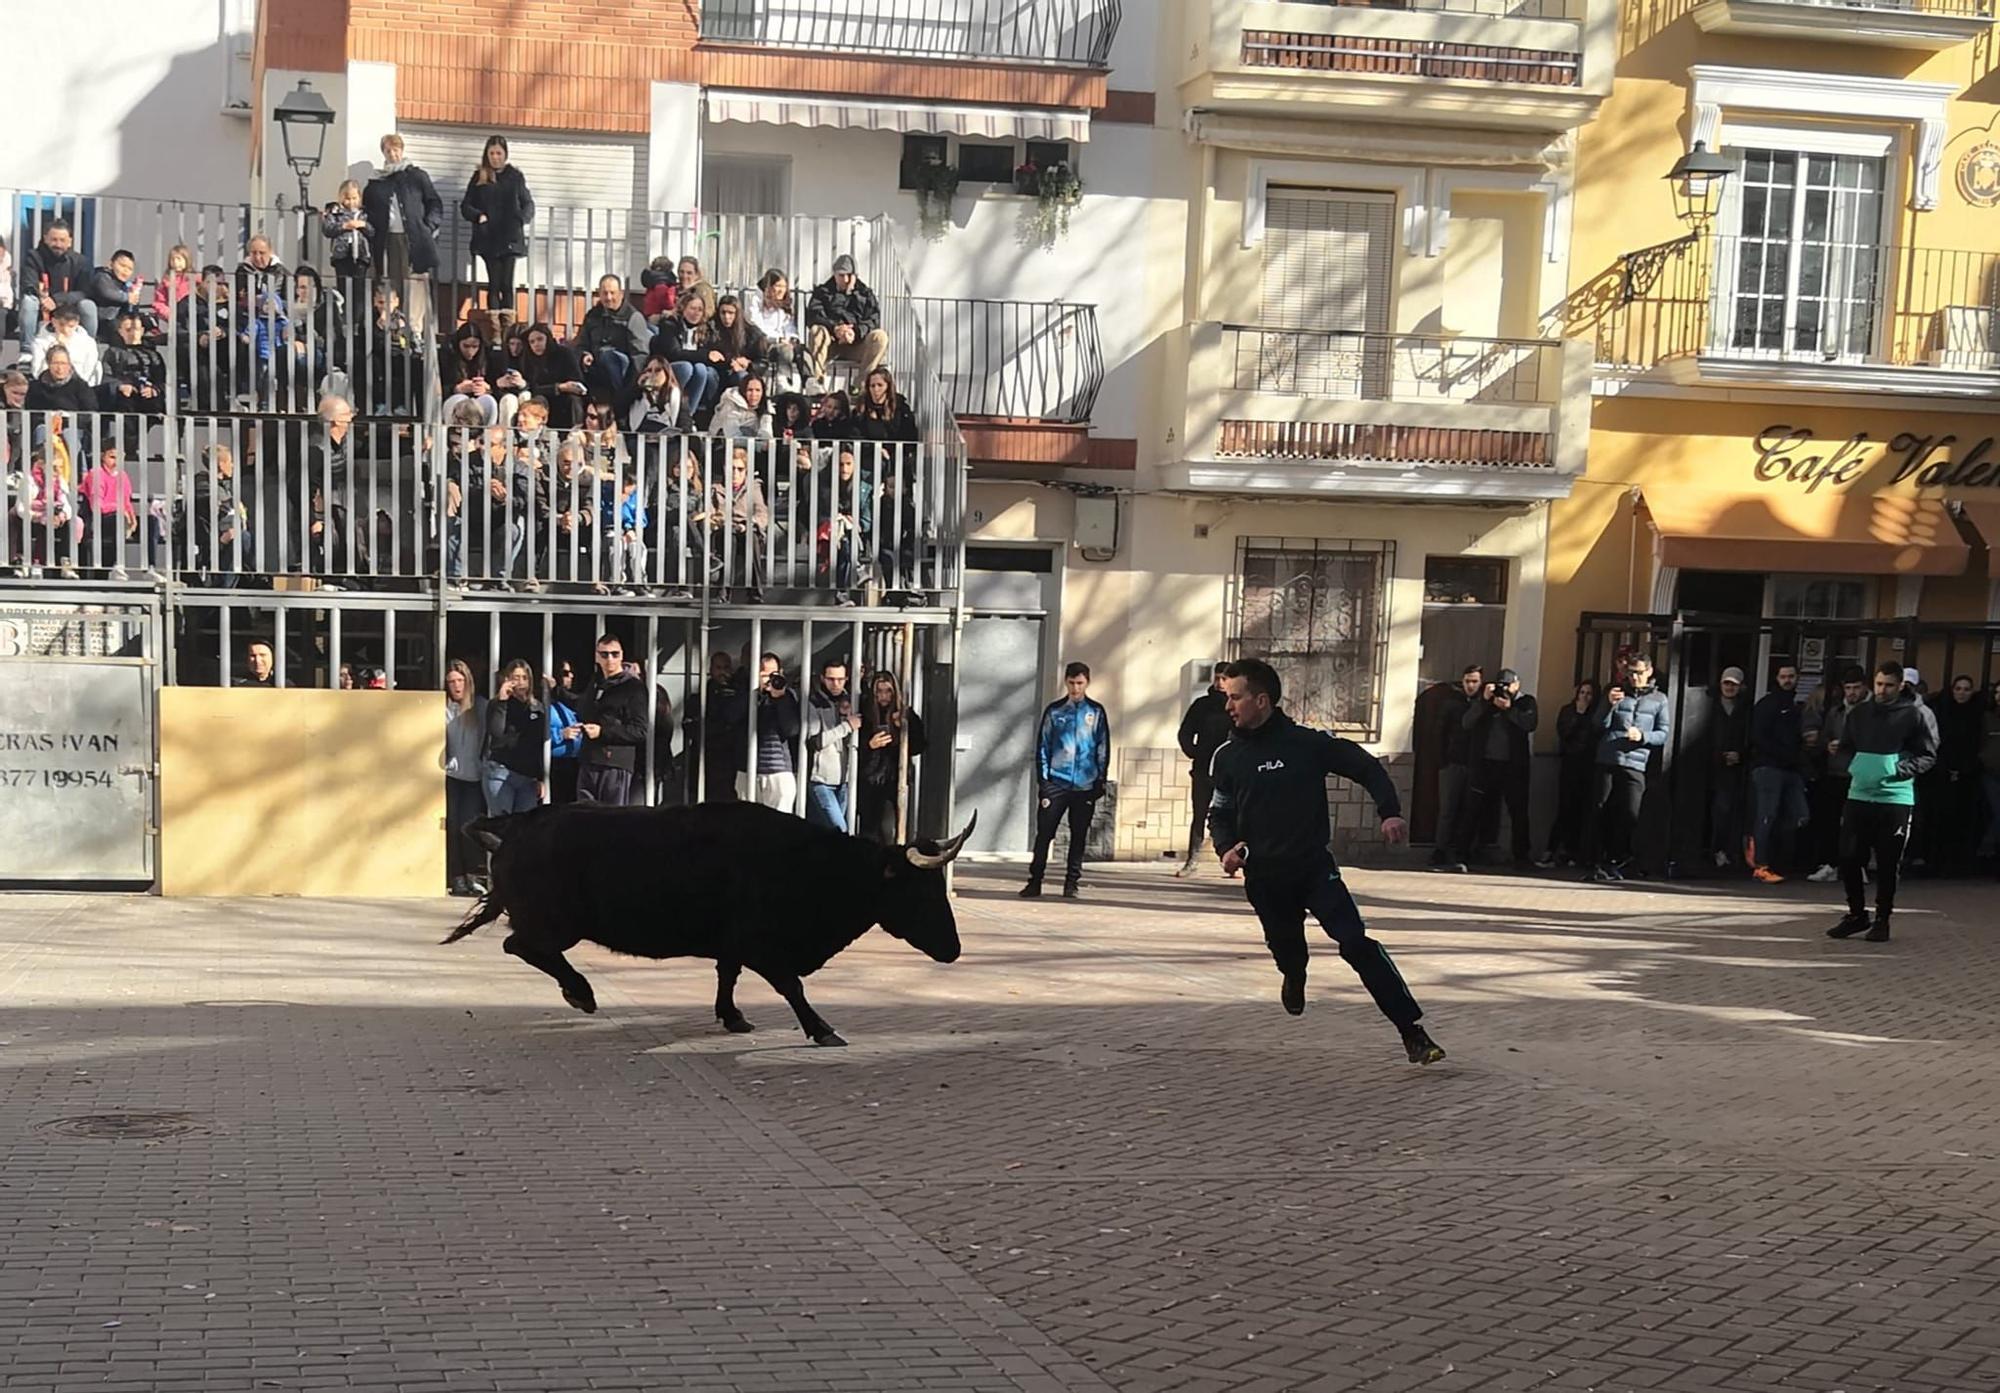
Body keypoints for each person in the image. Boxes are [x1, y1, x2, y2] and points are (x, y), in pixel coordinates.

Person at [1206, 658, 1445, 1064]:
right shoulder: (1228, 756)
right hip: (1265, 876)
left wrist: (1389, 810)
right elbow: (1220, 812)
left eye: (1235, 697)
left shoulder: (1307, 744)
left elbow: (1366, 767)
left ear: (1261, 700)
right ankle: (1294, 972)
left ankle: (1412, 1032)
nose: (1227, 705)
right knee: (1288, 949)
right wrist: (1225, 848)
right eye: (1227, 697)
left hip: (1314, 868)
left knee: (1356, 944)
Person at [1828, 661, 1941, 943]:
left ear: (1900, 685)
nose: (1882, 689)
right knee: (1849, 856)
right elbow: (1845, 749)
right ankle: (1856, 914)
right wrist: (1851, 766)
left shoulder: (1914, 715)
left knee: (1889, 862)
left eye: (1889, 685)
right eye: (1879, 684)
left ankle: (1882, 919)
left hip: (1895, 798)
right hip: (1859, 794)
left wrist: (1897, 771)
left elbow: (1927, 755)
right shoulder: (1860, 713)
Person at [1021, 661, 1110, 899]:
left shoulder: (1096, 712)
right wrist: (1044, 780)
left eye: (1080, 683)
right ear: (1065, 682)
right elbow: (1043, 745)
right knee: (1045, 834)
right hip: (1056, 783)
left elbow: (1102, 747)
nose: (1075, 688)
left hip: (1085, 784)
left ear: (1087, 682)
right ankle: (1035, 881)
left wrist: (1100, 780)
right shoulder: (1055, 711)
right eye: (1071, 683)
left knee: (1078, 835)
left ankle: (1072, 883)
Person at [1590, 648, 1670, 882]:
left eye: (1639, 673)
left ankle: (1621, 858)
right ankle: (1599, 858)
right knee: (1601, 808)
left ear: (1650, 672)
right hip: (1608, 758)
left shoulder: (1658, 699)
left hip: (1635, 762)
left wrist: (1642, 736)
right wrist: (1608, 705)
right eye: (1631, 673)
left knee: (1630, 812)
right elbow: (1598, 724)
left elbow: (1663, 733)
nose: (1635, 678)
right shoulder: (1615, 692)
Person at [1451, 668, 1538, 869]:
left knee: (1518, 812)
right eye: (1500, 686)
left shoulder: (1526, 702)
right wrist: (1484, 701)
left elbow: (1530, 724)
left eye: (1507, 686)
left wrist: (1509, 708)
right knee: (1473, 809)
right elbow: (1466, 722)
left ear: (1517, 685)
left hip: (1513, 767)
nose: (1504, 690)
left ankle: (1521, 857)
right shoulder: (1485, 703)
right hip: (1484, 765)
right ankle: (1461, 854)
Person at [565, 632, 647, 804]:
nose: (610, 659)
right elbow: (582, 707)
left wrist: (603, 732)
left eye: (615, 654)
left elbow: (640, 731)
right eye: (604, 654)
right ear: (597, 657)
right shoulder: (596, 682)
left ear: (621, 656)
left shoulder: (634, 687)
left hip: (615, 763)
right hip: (589, 759)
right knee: (585, 816)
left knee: (611, 820)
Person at [1804, 668, 1868, 882]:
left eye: (1856, 688)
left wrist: (1847, 746)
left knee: (1858, 824)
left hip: (1860, 773)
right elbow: (1823, 738)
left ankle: (1858, 866)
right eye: (1848, 688)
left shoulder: (1871, 711)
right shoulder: (1836, 711)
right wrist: (1827, 745)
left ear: (1864, 687)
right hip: (1835, 771)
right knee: (1829, 821)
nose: (1852, 693)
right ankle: (1830, 864)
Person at [461, 135, 535, 320]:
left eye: (499, 153)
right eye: (492, 153)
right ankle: (493, 327)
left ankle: (508, 330)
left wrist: (521, 219)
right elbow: (466, 206)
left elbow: (528, 203)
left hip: (510, 237)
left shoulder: (515, 177)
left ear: (505, 154)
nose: (495, 157)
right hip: (488, 238)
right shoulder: (480, 177)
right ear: (487, 154)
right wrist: (479, 216)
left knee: (507, 284)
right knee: (494, 283)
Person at [1748, 663, 1807, 884]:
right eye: (1783, 676)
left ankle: (1774, 859)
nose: (1787, 680)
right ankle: (1761, 864)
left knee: (1799, 814)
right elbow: (1759, 737)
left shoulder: (1794, 706)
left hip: (1789, 768)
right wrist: (1786, 755)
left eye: (1791, 676)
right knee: (1767, 815)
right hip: (1769, 766)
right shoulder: (1768, 704)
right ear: (1777, 677)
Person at [1174, 668, 1233, 878]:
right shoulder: (1202, 705)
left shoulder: (1237, 704)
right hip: (1202, 771)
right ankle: (1192, 860)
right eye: (1217, 678)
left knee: (1233, 817)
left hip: (1230, 773)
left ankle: (1233, 862)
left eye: (1224, 679)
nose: (1220, 682)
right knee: (1199, 815)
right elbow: (1185, 733)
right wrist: (1195, 752)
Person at [857, 670, 927, 844]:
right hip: (870, 779)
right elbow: (854, 747)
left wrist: (904, 728)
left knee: (894, 828)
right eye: (879, 691)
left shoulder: (906, 714)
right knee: (871, 829)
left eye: (888, 691)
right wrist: (869, 745)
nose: (884, 696)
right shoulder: (866, 713)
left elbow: (919, 747)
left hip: (897, 777)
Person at [1923, 674, 1985, 873]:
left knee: (1964, 817)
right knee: (1939, 816)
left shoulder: (1977, 714)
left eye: (1966, 689)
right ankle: (1936, 860)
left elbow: (1978, 744)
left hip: (1969, 773)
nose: (1962, 693)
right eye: (1958, 688)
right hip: (1941, 771)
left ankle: (1959, 861)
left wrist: (1966, 768)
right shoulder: (1942, 712)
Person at [1538, 678, 1599, 869]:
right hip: (1570, 763)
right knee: (1565, 808)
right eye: (1582, 692)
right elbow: (1564, 733)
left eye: (1589, 694)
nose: (1585, 697)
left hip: (1590, 765)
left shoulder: (1597, 713)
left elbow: (1595, 735)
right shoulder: (1568, 711)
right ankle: (1552, 849)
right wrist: (1579, 715)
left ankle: (1575, 852)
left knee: (1585, 810)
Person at [1429, 665, 1484, 872]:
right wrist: (1442, 760)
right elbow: (1439, 732)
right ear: (1462, 681)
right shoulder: (1451, 703)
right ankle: (1440, 850)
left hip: (1475, 765)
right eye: (1468, 681)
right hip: (1453, 762)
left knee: (1469, 811)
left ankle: (1463, 851)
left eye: (1475, 681)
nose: (1471, 685)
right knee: (1448, 810)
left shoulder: (1483, 703)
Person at [733, 652, 802, 810]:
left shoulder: (788, 695)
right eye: (765, 675)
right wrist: (755, 693)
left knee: (778, 828)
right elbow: (731, 716)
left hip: (778, 771)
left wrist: (779, 698)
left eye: (774, 674)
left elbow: (791, 729)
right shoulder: (747, 694)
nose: (770, 680)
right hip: (747, 770)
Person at [805, 253, 888, 381]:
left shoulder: (866, 294)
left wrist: (855, 332)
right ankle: (817, 382)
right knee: (816, 331)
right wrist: (835, 329)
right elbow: (813, 316)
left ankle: (861, 385)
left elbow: (873, 320)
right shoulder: (822, 292)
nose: (846, 280)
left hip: (856, 344)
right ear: (834, 274)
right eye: (841, 275)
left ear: (856, 276)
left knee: (880, 337)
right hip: (830, 344)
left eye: (850, 275)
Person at [443, 658, 488, 895]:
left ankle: (474, 874)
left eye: (460, 681)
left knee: (467, 827)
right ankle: (456, 877)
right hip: (451, 775)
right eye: (451, 682)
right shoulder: (443, 708)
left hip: (474, 776)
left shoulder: (480, 707)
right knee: (451, 826)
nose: (456, 686)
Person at [1703, 667, 1752, 872]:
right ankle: (1713, 850)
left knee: (1730, 810)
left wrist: (1741, 755)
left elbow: (1750, 737)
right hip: (1710, 766)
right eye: (1727, 683)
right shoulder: (1708, 705)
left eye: (1734, 684)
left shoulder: (1746, 709)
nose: (1730, 687)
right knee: (1712, 809)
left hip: (1735, 767)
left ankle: (1727, 851)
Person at [484, 657, 546, 816]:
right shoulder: (496, 704)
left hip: (527, 777)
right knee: (502, 827)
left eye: (525, 678)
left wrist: (540, 777)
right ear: (507, 680)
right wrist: (503, 701)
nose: (520, 683)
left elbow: (537, 743)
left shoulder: (536, 707)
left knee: (525, 830)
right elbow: (496, 732)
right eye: (516, 678)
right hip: (501, 772)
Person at [19, 219, 94, 350]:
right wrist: (43, 298)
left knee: (88, 305)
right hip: (42, 307)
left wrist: (57, 299)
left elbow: (85, 291)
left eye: (62, 240)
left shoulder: (80, 261)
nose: (58, 244)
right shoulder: (33, 257)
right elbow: (29, 284)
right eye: (54, 239)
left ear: (70, 241)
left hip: (68, 307)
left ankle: (89, 349)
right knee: (29, 301)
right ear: (45, 238)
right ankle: (27, 351)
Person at [804, 659, 861, 831]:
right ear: (822, 678)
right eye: (831, 679)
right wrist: (847, 726)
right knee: (840, 830)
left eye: (840, 679)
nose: (836, 684)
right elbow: (816, 741)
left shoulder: (852, 701)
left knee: (828, 833)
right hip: (820, 780)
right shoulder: (813, 703)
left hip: (845, 780)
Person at [577, 274, 651, 402]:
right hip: (596, 364)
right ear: (599, 294)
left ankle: (620, 399)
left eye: (612, 293)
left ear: (621, 294)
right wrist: (584, 354)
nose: (609, 297)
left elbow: (640, 355)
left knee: (609, 356)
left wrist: (632, 386)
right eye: (605, 293)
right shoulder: (592, 315)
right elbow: (581, 342)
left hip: (623, 367)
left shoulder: (633, 317)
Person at [77, 444, 138, 578]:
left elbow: (126, 501)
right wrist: (121, 510)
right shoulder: (96, 474)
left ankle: (150, 567)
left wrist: (133, 520)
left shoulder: (123, 476)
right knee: (118, 519)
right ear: (102, 457)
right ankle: (118, 564)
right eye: (112, 457)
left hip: (119, 516)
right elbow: (97, 506)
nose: (116, 461)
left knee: (152, 523)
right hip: (100, 519)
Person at [744, 269, 803, 381]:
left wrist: (792, 339)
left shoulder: (784, 305)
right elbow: (756, 326)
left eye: (784, 286)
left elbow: (789, 326)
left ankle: (810, 381)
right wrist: (778, 339)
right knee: (785, 351)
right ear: (769, 287)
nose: (782, 290)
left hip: (781, 343)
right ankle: (783, 383)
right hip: (763, 345)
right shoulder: (756, 301)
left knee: (801, 350)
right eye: (778, 286)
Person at [30, 303, 101, 386]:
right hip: (49, 387)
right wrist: (57, 347)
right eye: (61, 325)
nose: (65, 330)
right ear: (53, 321)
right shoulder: (40, 342)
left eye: (71, 326)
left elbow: (88, 370)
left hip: (79, 386)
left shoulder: (88, 342)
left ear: (77, 324)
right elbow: (37, 371)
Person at [88, 249, 147, 342]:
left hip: (118, 320)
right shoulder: (102, 277)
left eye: (130, 269)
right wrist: (127, 297)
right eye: (122, 265)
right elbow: (106, 293)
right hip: (103, 321)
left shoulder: (126, 286)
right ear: (111, 264)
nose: (125, 270)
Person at [546, 659, 583, 805]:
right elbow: (533, 733)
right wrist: (560, 734)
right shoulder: (545, 703)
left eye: (572, 672)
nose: (571, 676)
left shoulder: (575, 702)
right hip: (554, 764)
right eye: (566, 673)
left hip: (576, 763)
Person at [323, 181, 374, 285]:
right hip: (340, 255)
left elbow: (372, 232)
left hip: (361, 255)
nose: (351, 202)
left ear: (359, 197)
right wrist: (344, 226)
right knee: (343, 285)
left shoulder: (365, 213)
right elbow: (327, 230)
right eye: (347, 199)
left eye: (354, 198)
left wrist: (363, 225)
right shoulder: (335, 212)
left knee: (359, 286)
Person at [854, 367, 919, 443]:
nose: (876, 389)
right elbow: (855, 435)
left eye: (880, 385)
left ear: (888, 387)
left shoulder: (900, 409)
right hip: (867, 452)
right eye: (872, 386)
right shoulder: (861, 408)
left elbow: (909, 436)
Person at [711, 373, 774, 439]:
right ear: (743, 391)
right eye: (750, 390)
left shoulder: (766, 406)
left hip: (751, 443)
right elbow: (732, 434)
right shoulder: (730, 403)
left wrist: (763, 443)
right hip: (722, 443)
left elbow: (767, 433)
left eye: (758, 390)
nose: (754, 394)